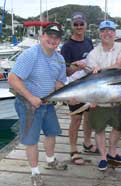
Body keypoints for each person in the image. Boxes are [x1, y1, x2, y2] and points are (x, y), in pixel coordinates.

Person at [8, 23, 68, 186]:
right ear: (42, 36)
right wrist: (30, 97)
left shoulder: (60, 59)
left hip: (48, 103)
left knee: (51, 133)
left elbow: (60, 82)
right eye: (50, 35)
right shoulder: (30, 55)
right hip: (28, 104)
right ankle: (35, 173)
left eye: (56, 37)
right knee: (31, 140)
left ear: (59, 40)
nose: (53, 40)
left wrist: (66, 92)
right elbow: (12, 79)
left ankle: (50, 160)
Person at [86, 20, 121, 171]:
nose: (107, 33)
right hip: (99, 99)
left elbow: (120, 65)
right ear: (100, 34)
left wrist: (102, 69)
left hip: (118, 98)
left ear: (115, 33)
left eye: (110, 30)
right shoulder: (93, 54)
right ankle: (103, 156)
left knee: (118, 127)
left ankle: (112, 151)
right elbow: (91, 78)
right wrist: (91, 98)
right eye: (104, 30)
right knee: (99, 129)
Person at [61, 12, 97, 165]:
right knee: (76, 118)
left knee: (89, 117)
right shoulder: (67, 46)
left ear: (85, 25)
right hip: (74, 87)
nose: (79, 27)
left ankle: (87, 144)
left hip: (89, 86)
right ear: (72, 26)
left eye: (81, 24)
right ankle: (73, 150)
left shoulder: (89, 42)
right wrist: (75, 66)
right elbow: (64, 71)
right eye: (75, 24)